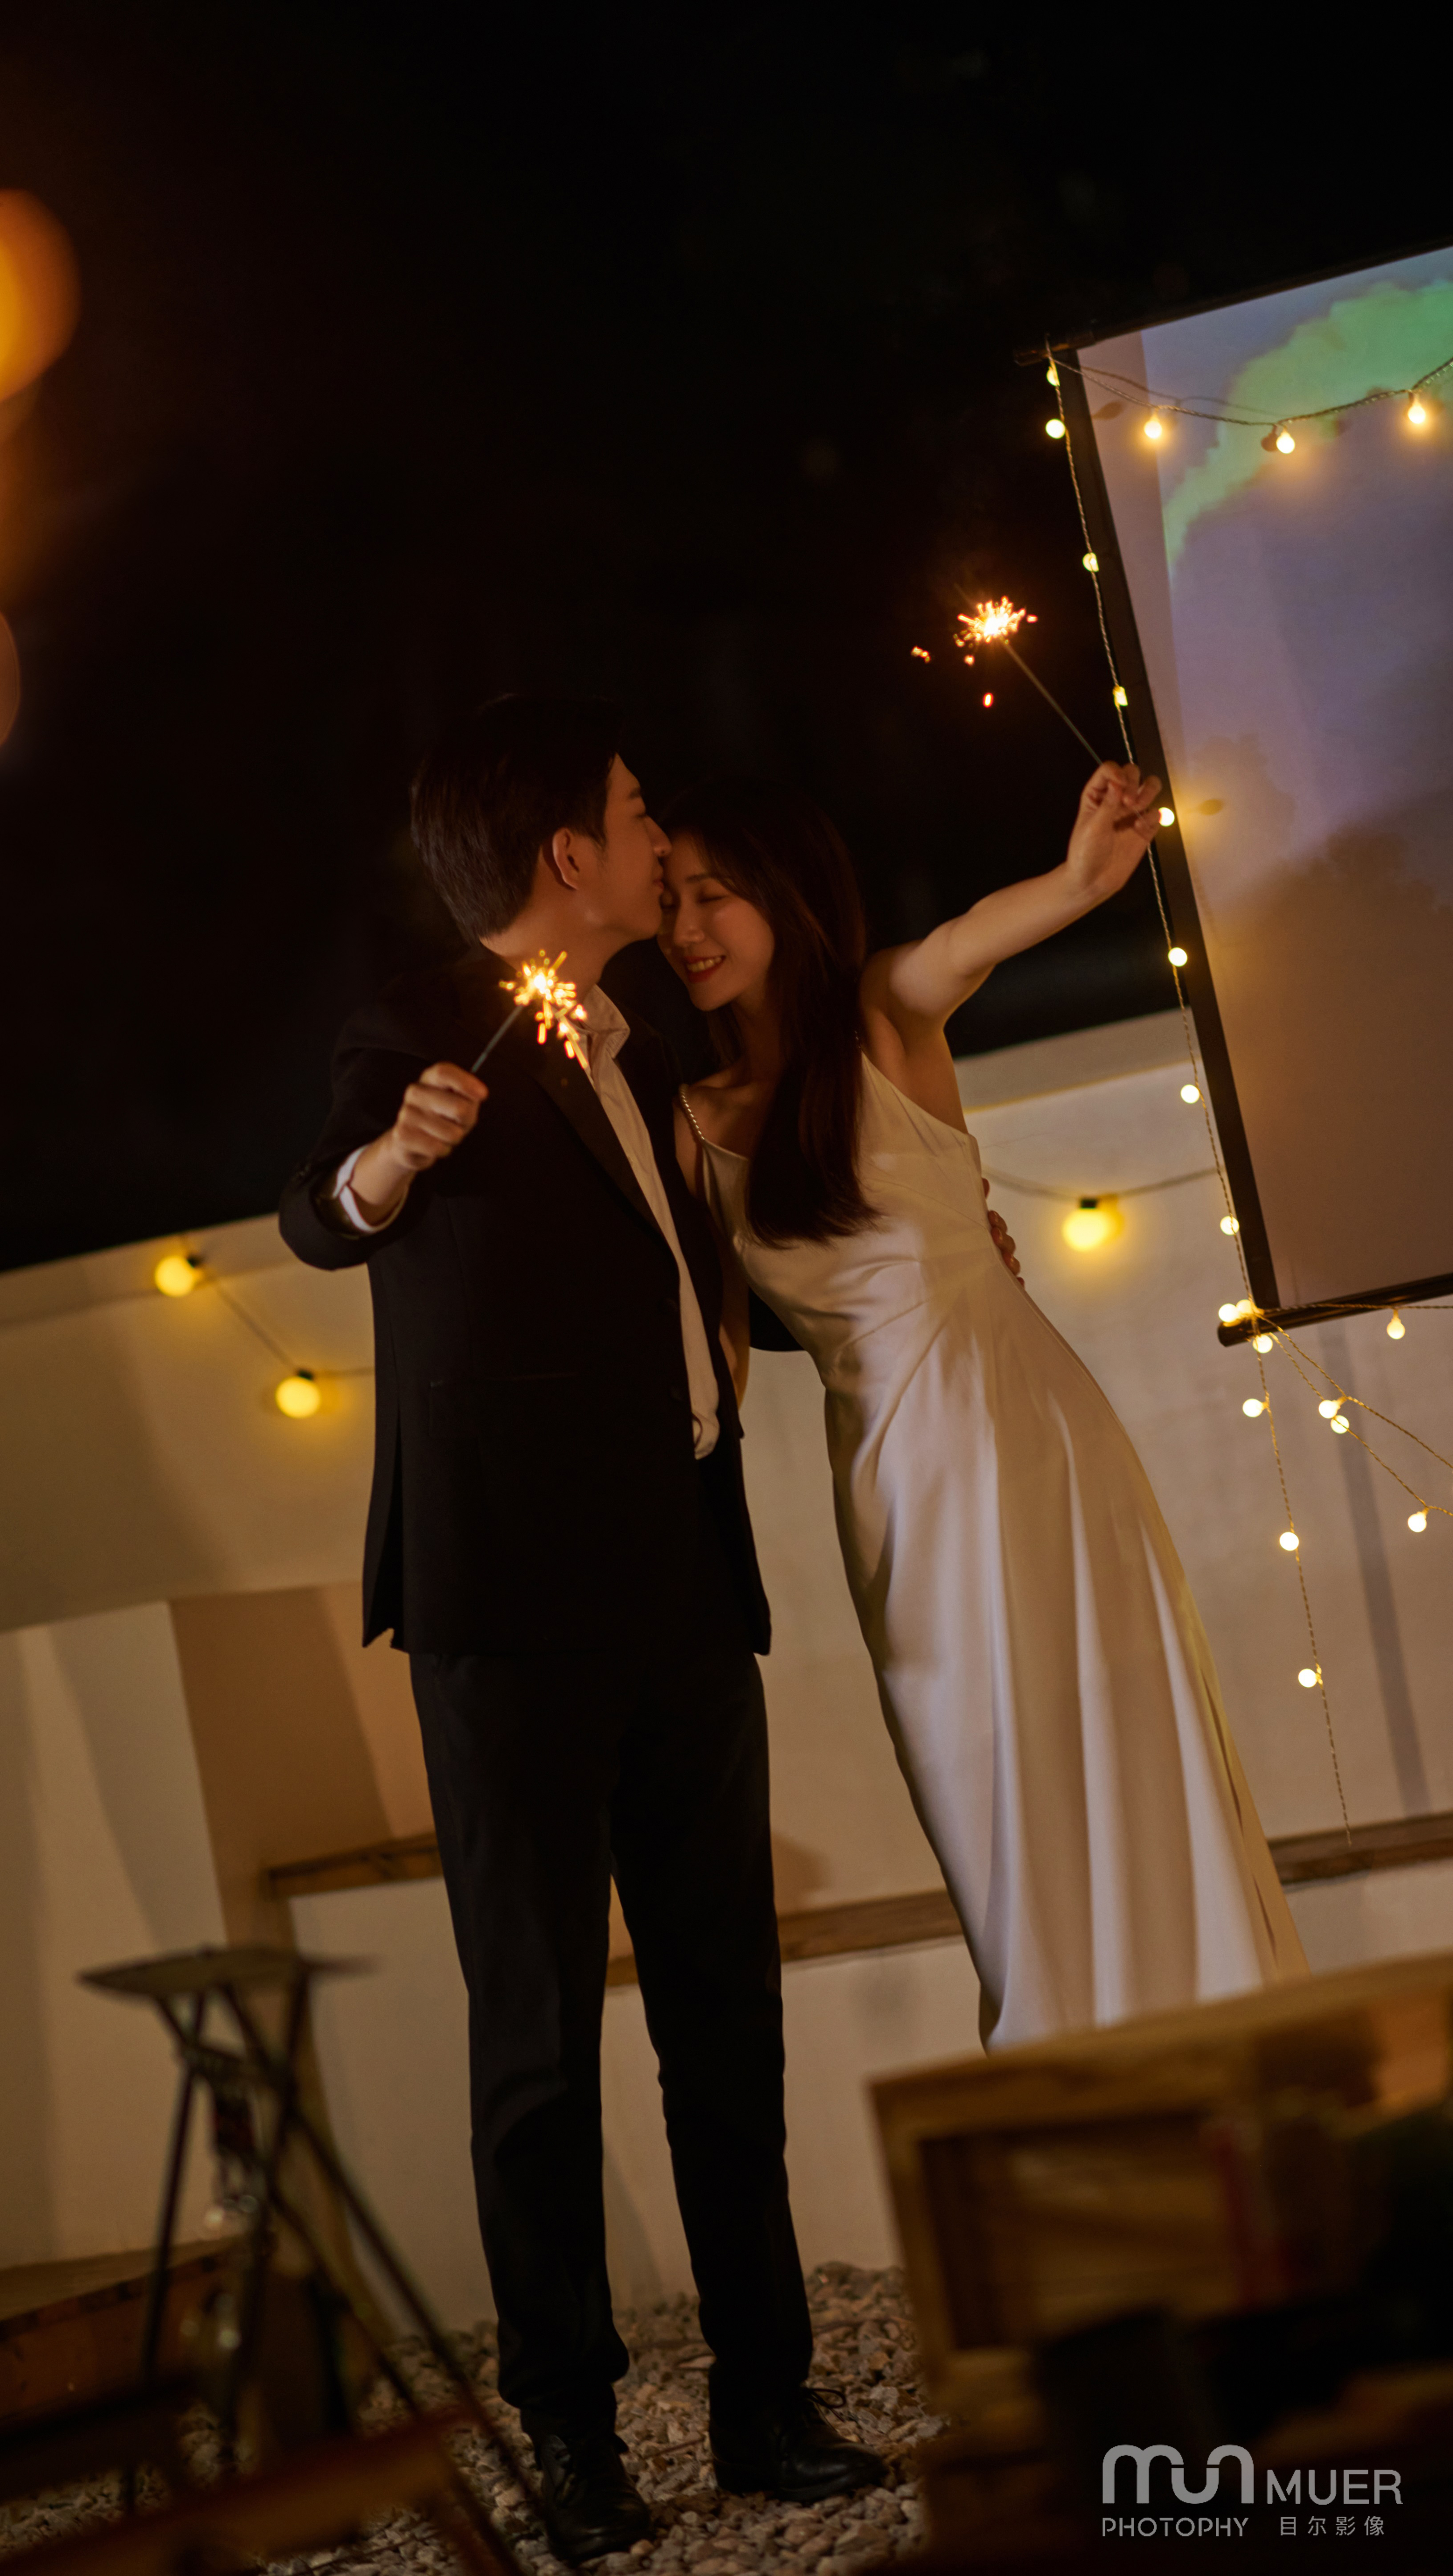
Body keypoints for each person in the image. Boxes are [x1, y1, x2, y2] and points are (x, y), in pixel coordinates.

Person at [279, 698, 885, 2568]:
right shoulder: (415, 1030)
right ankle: (570, 2432)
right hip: (512, 1612)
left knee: (726, 2016)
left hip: (685, 1587)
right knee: (538, 2039)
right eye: (633, 815)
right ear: (567, 855)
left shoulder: (641, 1044)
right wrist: (394, 1159)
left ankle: (770, 2400)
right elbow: (320, 1213)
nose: (656, 841)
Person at [657, 766, 1309, 2052]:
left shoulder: (882, 1014)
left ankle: (1224, 2066)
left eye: (713, 895)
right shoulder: (689, 1123)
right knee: (985, 1791)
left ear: (785, 894)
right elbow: (715, 1358)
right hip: (895, 1482)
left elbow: (973, 939)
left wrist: (1080, 874)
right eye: (669, 900)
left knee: (1130, 1736)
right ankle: (1075, 2083)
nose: (685, 928)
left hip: (1030, 1430)